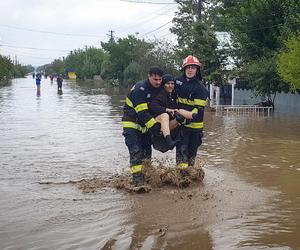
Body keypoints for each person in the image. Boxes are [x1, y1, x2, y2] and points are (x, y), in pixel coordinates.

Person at [122, 67, 164, 186]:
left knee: (147, 152)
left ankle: (147, 176)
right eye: (155, 79)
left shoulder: (157, 88)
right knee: (136, 151)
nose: (158, 82)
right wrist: (155, 127)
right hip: (132, 124)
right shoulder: (140, 89)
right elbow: (142, 113)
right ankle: (137, 182)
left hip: (144, 126)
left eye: (160, 79)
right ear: (149, 76)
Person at [175, 55, 209, 176]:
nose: (190, 70)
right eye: (188, 67)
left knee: (191, 156)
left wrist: (182, 113)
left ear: (197, 70)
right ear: (184, 69)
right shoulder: (177, 83)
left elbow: (198, 116)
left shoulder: (201, 89)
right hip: (181, 127)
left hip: (195, 129)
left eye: (193, 67)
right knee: (181, 153)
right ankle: (181, 179)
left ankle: (188, 178)